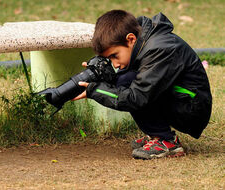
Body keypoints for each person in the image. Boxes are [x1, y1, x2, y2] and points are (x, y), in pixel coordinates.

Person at [73, 10, 212, 159]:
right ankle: (156, 134)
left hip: (191, 108)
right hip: (181, 98)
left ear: (131, 39)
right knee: (125, 79)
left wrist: (95, 90)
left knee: (129, 84)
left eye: (114, 56)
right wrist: (106, 76)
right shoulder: (144, 41)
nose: (116, 64)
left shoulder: (160, 48)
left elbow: (136, 97)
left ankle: (166, 140)